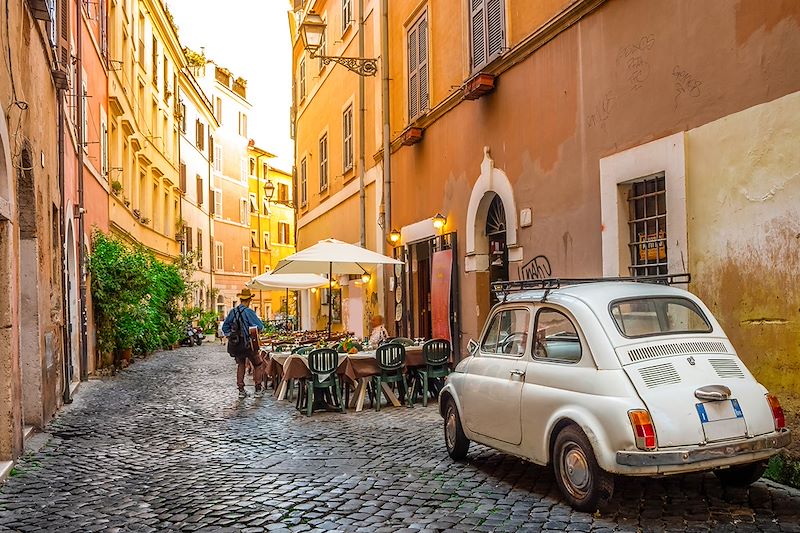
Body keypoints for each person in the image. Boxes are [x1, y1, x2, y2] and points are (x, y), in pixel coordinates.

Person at [222, 288, 265, 398]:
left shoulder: (233, 312)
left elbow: (225, 327)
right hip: (249, 344)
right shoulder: (249, 312)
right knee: (258, 364)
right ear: (249, 300)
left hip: (236, 344)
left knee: (241, 365)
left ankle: (241, 390)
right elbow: (260, 327)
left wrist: (230, 336)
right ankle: (258, 388)